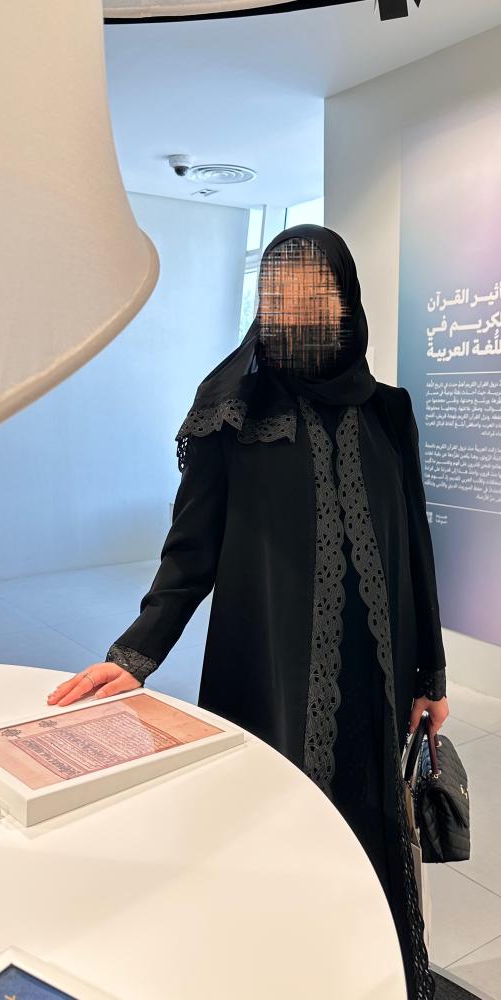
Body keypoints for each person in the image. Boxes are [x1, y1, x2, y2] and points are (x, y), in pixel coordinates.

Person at [47, 223, 449, 1000]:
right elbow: (191, 551)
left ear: (346, 303)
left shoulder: (389, 413)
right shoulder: (231, 411)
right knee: (274, 834)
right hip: (272, 675)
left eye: (315, 296)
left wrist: (429, 675)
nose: (297, 312)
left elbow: (416, 549)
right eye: (280, 297)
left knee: (370, 834)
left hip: (376, 680)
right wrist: (135, 655)